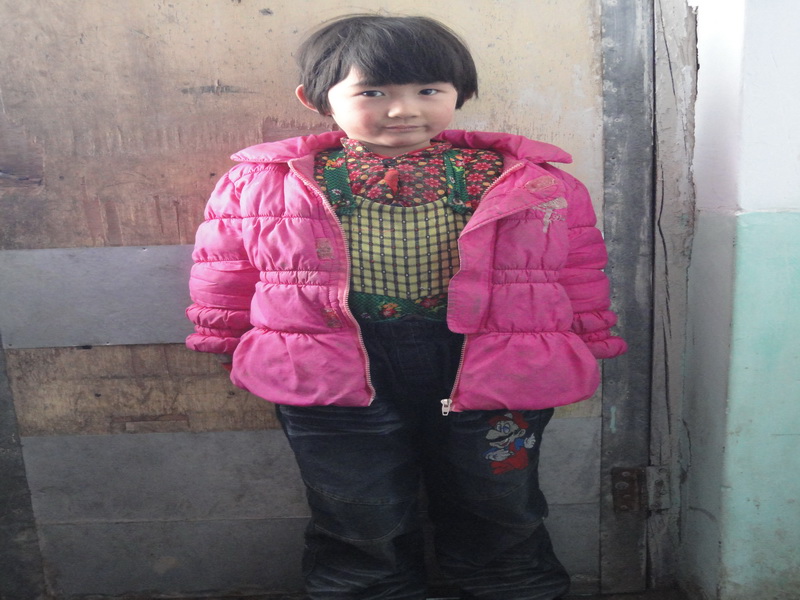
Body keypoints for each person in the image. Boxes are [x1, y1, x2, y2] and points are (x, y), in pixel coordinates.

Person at [186, 14, 626, 600]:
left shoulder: (531, 181)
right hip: (329, 368)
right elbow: (226, 268)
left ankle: (511, 584)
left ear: (459, 92)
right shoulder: (264, 182)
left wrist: (591, 336)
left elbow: (575, 266)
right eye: (372, 92)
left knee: (497, 499)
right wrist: (225, 340)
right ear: (316, 99)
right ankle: (367, 587)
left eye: (428, 90)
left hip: (492, 363)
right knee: (358, 505)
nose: (402, 110)